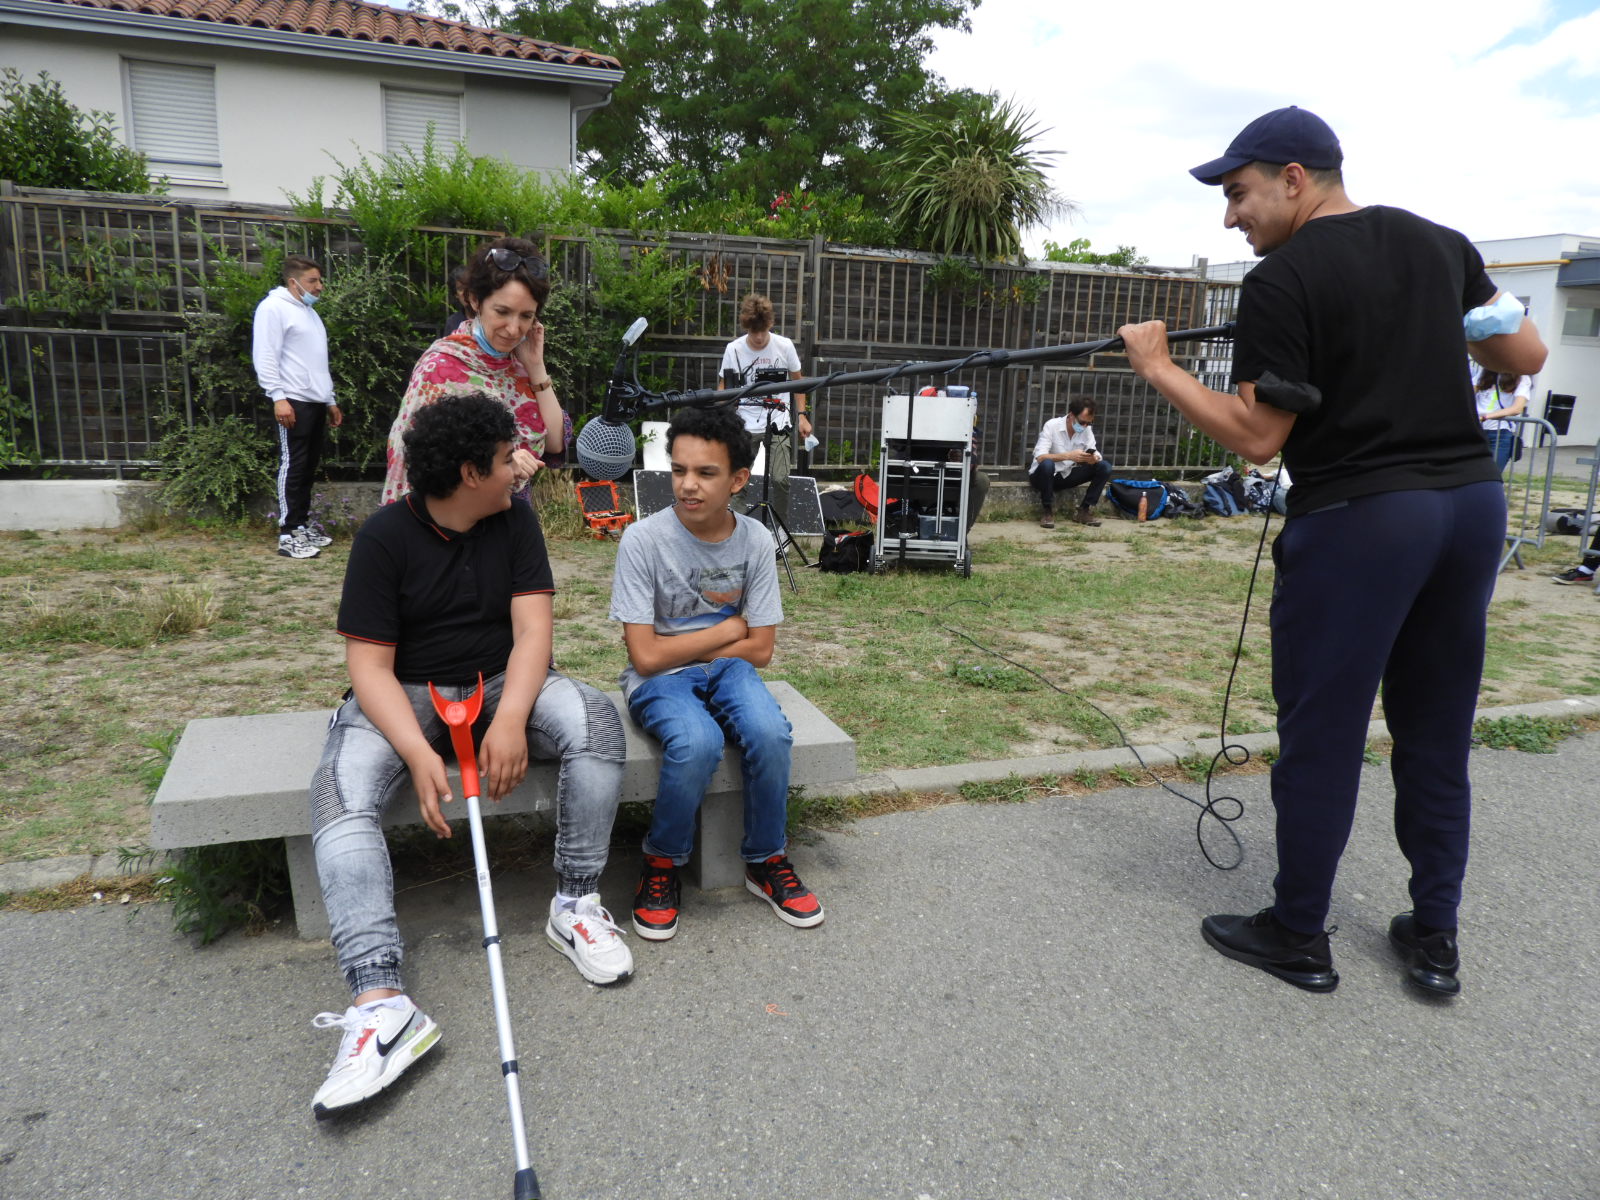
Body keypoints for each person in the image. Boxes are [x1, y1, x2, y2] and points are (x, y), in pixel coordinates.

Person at [1119, 106, 1546, 997]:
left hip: (1365, 520)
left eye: (1238, 194)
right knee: (1435, 731)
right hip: (1471, 508)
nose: (1230, 217)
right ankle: (1435, 939)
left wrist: (1159, 367)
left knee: (1324, 732)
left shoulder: (1282, 278)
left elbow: (1258, 436)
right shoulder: (1440, 244)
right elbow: (1526, 350)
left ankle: (1298, 933)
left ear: (1293, 179)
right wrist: (1428, 313)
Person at [308, 392, 632, 1118]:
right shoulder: (384, 538)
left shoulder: (514, 519)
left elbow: (534, 631)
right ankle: (381, 1002)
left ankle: (576, 903)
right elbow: (369, 667)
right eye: (508, 458)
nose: (522, 467)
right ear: (468, 473)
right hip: (405, 693)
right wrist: (415, 751)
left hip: (500, 681)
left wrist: (511, 716)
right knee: (338, 792)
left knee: (595, 722)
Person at [609, 403, 824, 941]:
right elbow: (645, 658)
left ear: (738, 480)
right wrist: (728, 629)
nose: (688, 485)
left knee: (770, 734)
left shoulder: (755, 540)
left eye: (706, 473)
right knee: (697, 742)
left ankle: (765, 858)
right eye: (679, 469)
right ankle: (662, 862)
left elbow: (762, 650)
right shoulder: (642, 540)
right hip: (660, 681)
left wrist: (691, 647)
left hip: (731, 669)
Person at [382, 237, 566, 506]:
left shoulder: (518, 367)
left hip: (511, 520)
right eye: (502, 311)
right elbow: (428, 464)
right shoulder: (441, 367)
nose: (513, 329)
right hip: (456, 523)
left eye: (526, 316)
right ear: (474, 300)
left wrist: (536, 367)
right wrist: (503, 463)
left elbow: (555, 443)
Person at [253, 255, 342, 559]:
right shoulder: (272, 308)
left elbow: (317, 362)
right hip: (292, 401)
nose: (320, 286)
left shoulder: (309, 313)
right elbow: (266, 355)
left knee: (307, 466)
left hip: (315, 401)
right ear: (294, 282)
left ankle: (301, 526)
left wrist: (330, 400)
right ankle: (288, 533)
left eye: (320, 280)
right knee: (293, 465)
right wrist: (278, 397)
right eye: (312, 281)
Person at [719, 293, 810, 530]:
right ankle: (735, 530)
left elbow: (799, 382)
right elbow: (723, 388)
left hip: (778, 420)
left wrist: (802, 416)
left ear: (770, 324)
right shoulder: (734, 349)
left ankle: (780, 530)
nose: (759, 337)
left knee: (780, 479)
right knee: (737, 480)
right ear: (746, 327)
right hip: (744, 424)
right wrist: (723, 418)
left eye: (763, 331)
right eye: (753, 332)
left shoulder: (784, 346)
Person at [1028, 397, 1111, 528]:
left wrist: (1092, 459)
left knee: (1104, 467)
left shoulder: (1086, 430)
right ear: (1071, 415)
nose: (1085, 426)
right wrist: (1068, 456)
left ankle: (1084, 510)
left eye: (1089, 423)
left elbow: (1095, 451)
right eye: (1082, 422)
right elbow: (1040, 457)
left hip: (1065, 475)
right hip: (1042, 477)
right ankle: (1047, 511)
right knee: (1047, 464)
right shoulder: (1052, 425)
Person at [1473, 365, 1531, 473]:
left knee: (1491, 474)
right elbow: (1467, 394)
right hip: (1477, 431)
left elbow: (1517, 408)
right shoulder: (1484, 373)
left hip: (1500, 434)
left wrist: (1485, 417)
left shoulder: (1521, 378)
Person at [442, 264, 471, 336]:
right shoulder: (452, 322)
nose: (466, 293)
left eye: (469, 287)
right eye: (461, 289)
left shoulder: (489, 317)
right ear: (456, 294)